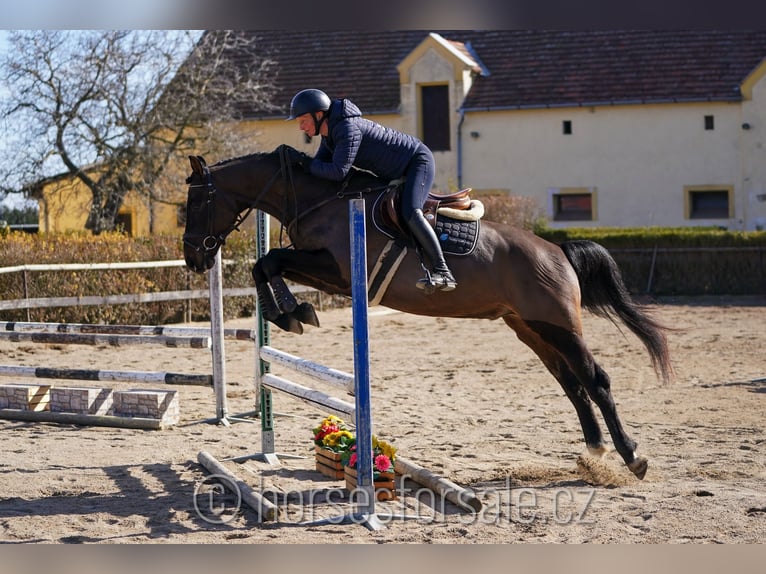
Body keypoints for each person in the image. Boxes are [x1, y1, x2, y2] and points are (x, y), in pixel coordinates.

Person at [284, 88, 457, 293]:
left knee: (410, 212)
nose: (301, 127)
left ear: (319, 115)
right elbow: (317, 167)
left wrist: (304, 162)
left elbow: (338, 171)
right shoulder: (330, 135)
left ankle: (443, 271)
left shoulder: (347, 128)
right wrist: (296, 165)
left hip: (416, 162)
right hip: (393, 171)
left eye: (303, 120)